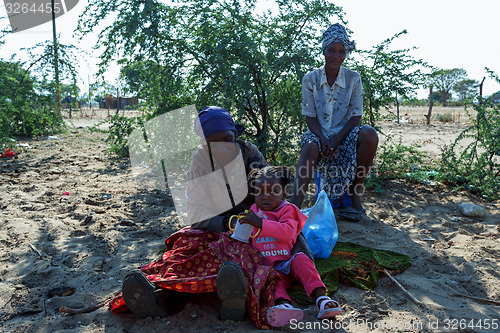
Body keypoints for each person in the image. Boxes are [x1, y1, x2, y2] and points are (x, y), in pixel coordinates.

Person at [110, 106, 313, 329]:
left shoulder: (251, 156)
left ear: (236, 135)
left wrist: (259, 223)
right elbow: (196, 214)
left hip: (256, 226)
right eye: (213, 144)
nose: (223, 148)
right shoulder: (199, 162)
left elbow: (274, 202)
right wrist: (227, 223)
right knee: (184, 251)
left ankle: (237, 300)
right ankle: (160, 296)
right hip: (216, 228)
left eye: (227, 139)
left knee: (272, 251)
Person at [291, 23, 378, 220]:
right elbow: (310, 116)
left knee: (369, 135)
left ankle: (355, 196)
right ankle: (293, 207)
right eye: (331, 50)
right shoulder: (310, 79)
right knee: (310, 148)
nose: (336, 56)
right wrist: (323, 139)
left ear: (346, 54)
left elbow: (356, 116)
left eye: (341, 51)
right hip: (317, 131)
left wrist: (336, 140)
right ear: (324, 51)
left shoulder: (353, 78)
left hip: (345, 133)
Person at [238, 166, 341, 327]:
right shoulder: (253, 211)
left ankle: (322, 299)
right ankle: (284, 306)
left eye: (272, 191)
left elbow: (287, 232)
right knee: (271, 283)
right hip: (269, 267)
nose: (265, 196)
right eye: (259, 192)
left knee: (303, 261)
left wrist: (259, 223)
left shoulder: (287, 209)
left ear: (283, 194)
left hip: (289, 260)